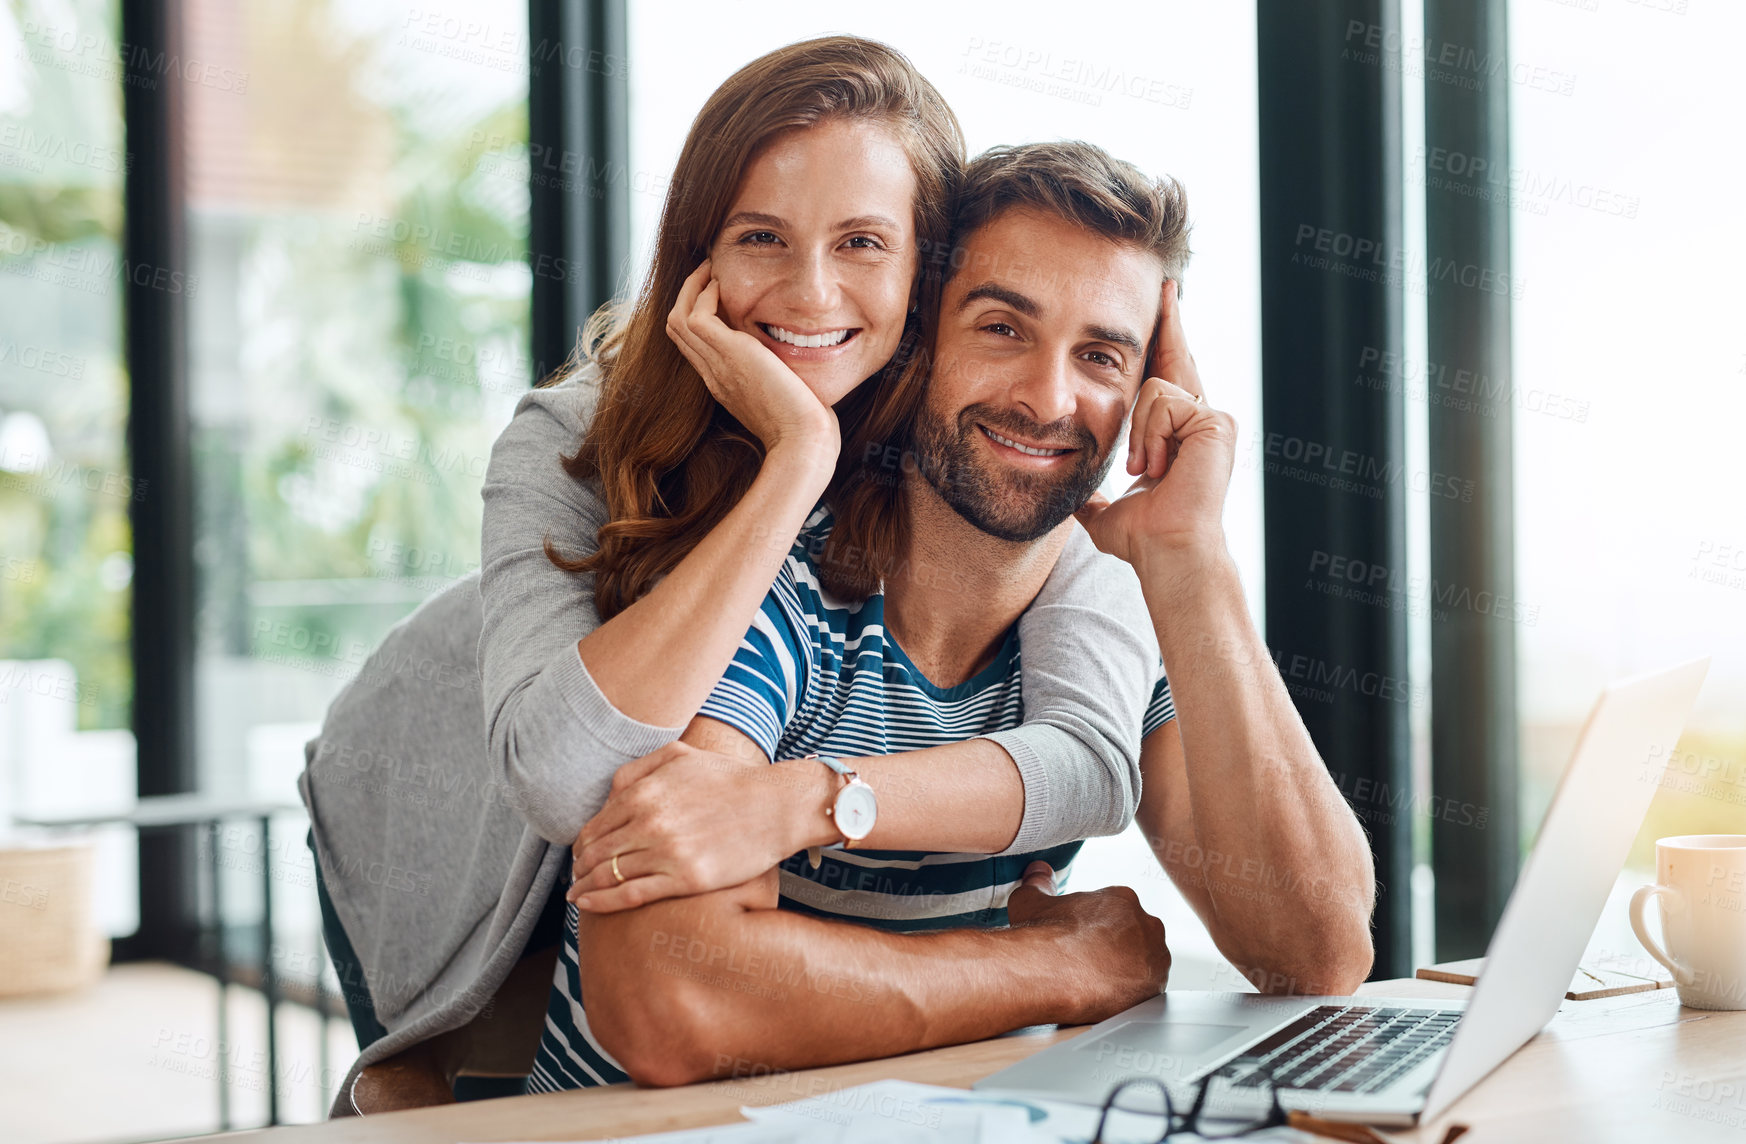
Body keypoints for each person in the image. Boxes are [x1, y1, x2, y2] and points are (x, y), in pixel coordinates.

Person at [302, 37, 1162, 1111]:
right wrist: (798, 462)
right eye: (761, 236)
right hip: (445, 798)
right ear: (697, 251)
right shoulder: (573, 433)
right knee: (446, 1076)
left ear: (924, 266)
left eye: (861, 242)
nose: (810, 292)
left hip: (636, 838)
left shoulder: (961, 453)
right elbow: (560, 773)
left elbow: (1089, 761)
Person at [527, 141, 1375, 1091]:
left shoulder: (1113, 620)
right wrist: (1068, 967)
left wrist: (1192, 559)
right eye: (1003, 328)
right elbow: (673, 1002)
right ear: (920, 334)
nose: (1049, 399)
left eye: (1101, 355)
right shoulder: (780, 581)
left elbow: (1316, 954)